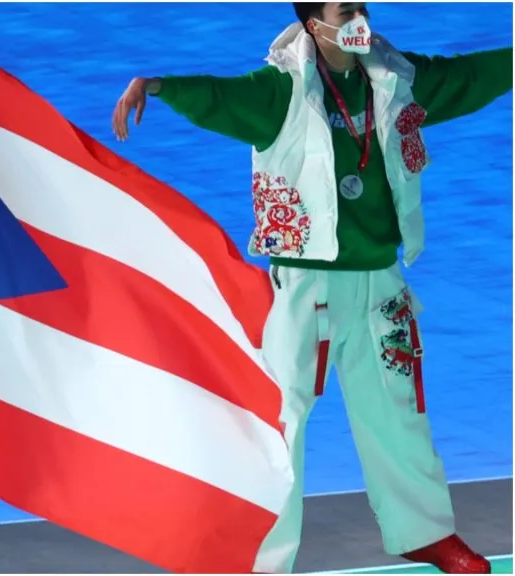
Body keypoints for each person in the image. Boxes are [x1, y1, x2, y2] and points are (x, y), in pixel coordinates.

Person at [111, 3, 511, 574]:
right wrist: (158, 86)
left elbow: (468, 76)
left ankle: (424, 532)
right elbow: (220, 97)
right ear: (312, 23)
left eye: (362, 6)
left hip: (381, 280)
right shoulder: (282, 90)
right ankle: (263, 560)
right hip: (304, 286)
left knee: (399, 415)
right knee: (280, 426)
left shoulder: (398, 80)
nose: (360, 19)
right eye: (345, 11)